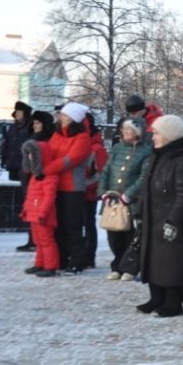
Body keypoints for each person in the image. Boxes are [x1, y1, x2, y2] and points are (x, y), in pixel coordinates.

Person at [138, 115, 183, 317]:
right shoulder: (158, 155)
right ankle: (156, 297)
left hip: (170, 217)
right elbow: (146, 186)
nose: (153, 137)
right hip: (153, 215)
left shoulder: (182, 158)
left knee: (170, 261)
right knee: (153, 258)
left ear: (169, 135)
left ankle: (172, 301)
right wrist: (140, 211)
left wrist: (174, 219)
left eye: (156, 133)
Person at [43, 103, 92, 275]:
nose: (60, 117)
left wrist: (46, 169)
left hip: (73, 187)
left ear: (73, 119)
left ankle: (77, 261)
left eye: (64, 115)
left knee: (72, 225)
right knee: (59, 225)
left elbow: (70, 160)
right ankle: (61, 259)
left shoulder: (82, 138)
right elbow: (49, 152)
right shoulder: (57, 134)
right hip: (56, 184)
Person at [100, 117, 151, 280]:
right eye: (123, 129)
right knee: (114, 234)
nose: (125, 132)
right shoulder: (116, 148)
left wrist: (129, 195)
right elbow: (106, 171)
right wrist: (103, 192)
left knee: (131, 236)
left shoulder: (146, 151)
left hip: (131, 202)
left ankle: (129, 267)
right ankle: (117, 266)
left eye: (128, 129)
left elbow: (143, 176)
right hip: (113, 199)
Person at [19, 140, 60, 277]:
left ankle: (50, 266)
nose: (30, 158)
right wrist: (26, 210)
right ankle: (40, 264)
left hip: (43, 216)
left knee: (46, 241)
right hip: (34, 214)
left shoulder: (49, 176)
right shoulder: (35, 176)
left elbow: (49, 197)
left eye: (32, 155)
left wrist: (42, 213)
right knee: (38, 241)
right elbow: (30, 196)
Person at [2, 102, 35, 251]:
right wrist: (6, 161)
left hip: (26, 167)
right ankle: (31, 238)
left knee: (30, 201)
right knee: (26, 200)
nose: (17, 114)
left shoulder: (29, 127)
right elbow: (7, 145)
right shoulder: (13, 127)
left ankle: (33, 238)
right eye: (16, 112)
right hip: (16, 165)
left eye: (20, 112)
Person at [81, 113, 108, 270]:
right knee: (84, 224)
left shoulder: (96, 148)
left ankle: (89, 256)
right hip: (80, 190)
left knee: (88, 224)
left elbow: (100, 173)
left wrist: (86, 185)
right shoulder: (90, 145)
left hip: (87, 192)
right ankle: (85, 255)